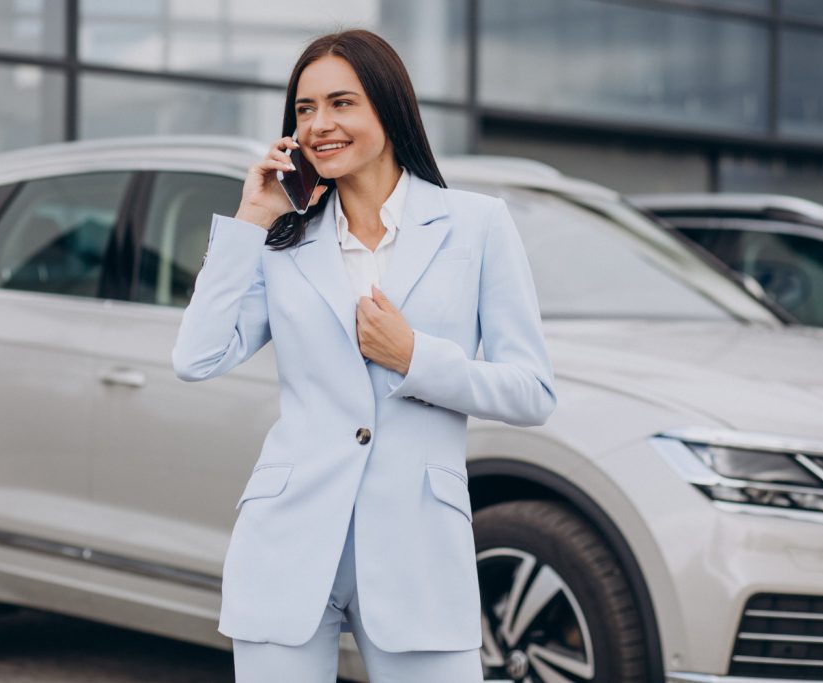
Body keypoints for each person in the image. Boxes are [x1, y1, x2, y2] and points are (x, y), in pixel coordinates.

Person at [172, 28, 556, 683]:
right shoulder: (282, 242)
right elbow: (196, 356)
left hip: (419, 552)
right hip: (287, 541)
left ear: (388, 106)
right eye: (304, 109)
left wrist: (415, 357)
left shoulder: (477, 225)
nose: (320, 123)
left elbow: (532, 392)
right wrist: (249, 219)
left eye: (341, 103)